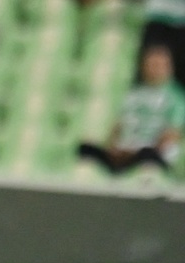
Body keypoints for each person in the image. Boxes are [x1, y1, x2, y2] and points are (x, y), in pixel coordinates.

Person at [77, 46, 184, 174]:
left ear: (169, 68)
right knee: (86, 149)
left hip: (151, 154)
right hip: (125, 152)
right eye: (151, 64)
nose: (154, 69)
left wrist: (133, 152)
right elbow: (118, 127)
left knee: (147, 155)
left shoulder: (177, 97)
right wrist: (114, 149)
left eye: (158, 65)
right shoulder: (132, 93)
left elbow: (172, 134)